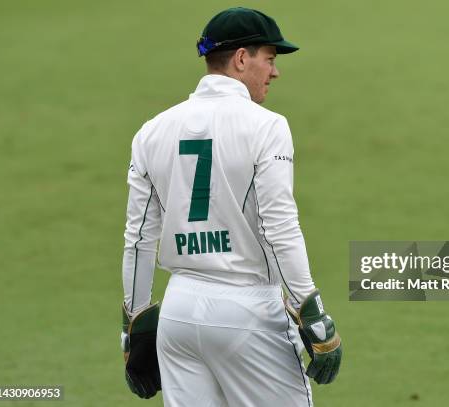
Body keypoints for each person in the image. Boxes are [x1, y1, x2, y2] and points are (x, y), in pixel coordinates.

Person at [120, 7, 342, 407]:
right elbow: (279, 228)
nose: (275, 72)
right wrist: (312, 312)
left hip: (179, 314)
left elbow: (137, 240)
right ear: (241, 59)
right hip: (250, 312)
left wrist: (132, 327)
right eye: (270, 59)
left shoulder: (150, 131)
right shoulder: (267, 126)